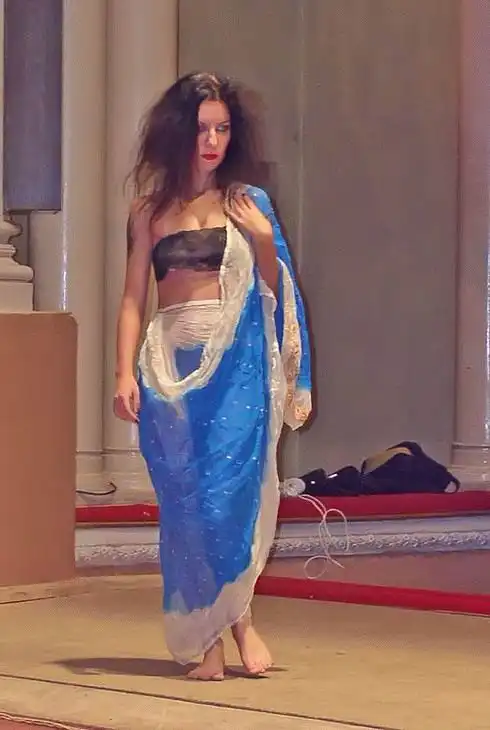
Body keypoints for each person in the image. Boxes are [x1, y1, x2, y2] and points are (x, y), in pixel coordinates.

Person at [113, 71, 312, 681]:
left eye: (223, 129)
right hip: (168, 370)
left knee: (230, 495)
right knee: (187, 504)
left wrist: (263, 243)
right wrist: (123, 374)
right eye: (202, 129)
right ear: (178, 132)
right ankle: (211, 639)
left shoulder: (247, 203)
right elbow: (133, 298)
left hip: (236, 370)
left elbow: (277, 291)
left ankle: (239, 622)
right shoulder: (149, 210)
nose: (213, 142)